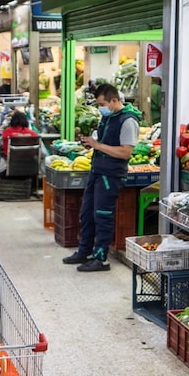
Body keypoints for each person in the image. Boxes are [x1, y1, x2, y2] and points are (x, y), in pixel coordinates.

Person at [62, 83, 141, 272]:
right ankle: (84, 251)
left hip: (111, 175)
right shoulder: (109, 117)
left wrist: (98, 146)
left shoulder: (128, 121)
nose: (101, 108)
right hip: (97, 171)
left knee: (103, 216)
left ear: (114, 100)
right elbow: (106, 143)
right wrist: (92, 144)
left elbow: (125, 152)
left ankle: (101, 258)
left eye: (102, 104)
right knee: (87, 213)